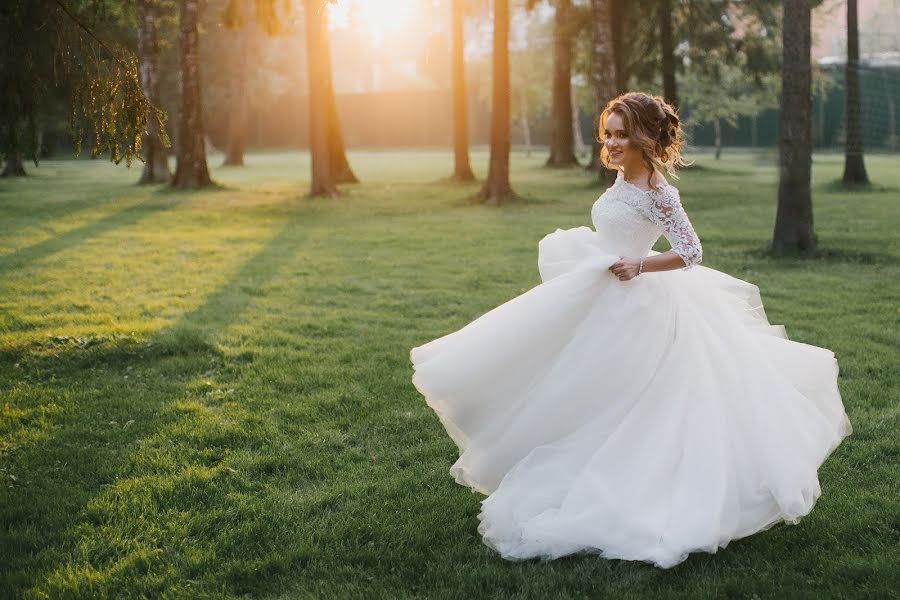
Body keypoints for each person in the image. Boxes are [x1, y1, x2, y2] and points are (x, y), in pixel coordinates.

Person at [409, 92, 852, 569]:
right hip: (603, 293)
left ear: (645, 137)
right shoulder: (623, 177)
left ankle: (634, 485)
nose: (612, 143)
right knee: (570, 383)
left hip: (638, 301)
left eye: (622, 134)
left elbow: (691, 251)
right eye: (609, 133)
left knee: (636, 397)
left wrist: (639, 264)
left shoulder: (658, 191)